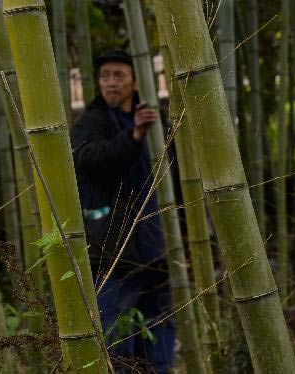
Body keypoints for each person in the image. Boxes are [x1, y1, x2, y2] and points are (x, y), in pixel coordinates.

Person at [70, 50, 175, 373]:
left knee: (158, 327)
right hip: (113, 247)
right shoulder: (91, 121)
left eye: (119, 75)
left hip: (155, 243)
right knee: (117, 333)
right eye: (105, 76)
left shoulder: (154, 122)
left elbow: (174, 177)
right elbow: (91, 159)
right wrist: (133, 137)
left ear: (135, 80)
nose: (111, 83)